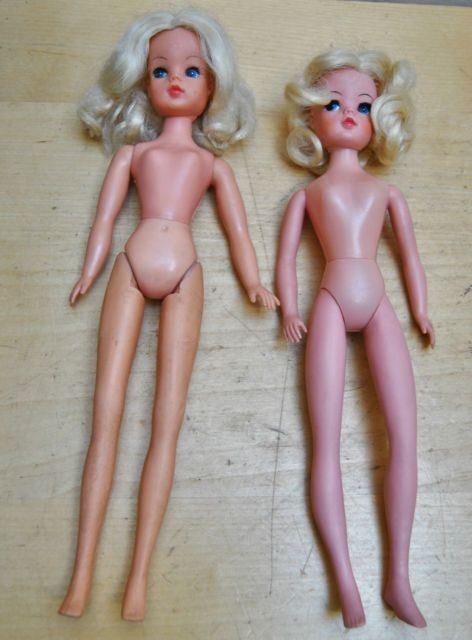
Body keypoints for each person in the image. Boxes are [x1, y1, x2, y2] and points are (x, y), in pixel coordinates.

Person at [60, 8, 278, 621]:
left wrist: (255, 283)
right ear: (143, 80)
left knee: (166, 424)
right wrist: (89, 271)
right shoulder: (132, 155)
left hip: (185, 275)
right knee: (105, 417)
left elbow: (239, 234)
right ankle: (81, 575)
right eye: (161, 70)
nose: (175, 79)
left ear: (214, 85)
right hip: (129, 269)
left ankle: (136, 581)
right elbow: (105, 221)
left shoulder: (213, 166)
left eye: (191, 70)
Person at [276, 49, 434, 628]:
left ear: (379, 119)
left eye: (362, 105)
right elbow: (286, 259)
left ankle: (398, 577)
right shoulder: (305, 194)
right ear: (310, 117)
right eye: (332, 103)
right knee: (325, 445)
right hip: (329, 303)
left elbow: (410, 257)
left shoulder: (387, 193)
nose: (347, 113)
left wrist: (420, 309)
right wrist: (290, 309)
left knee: (404, 438)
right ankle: (346, 581)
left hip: (379, 305)